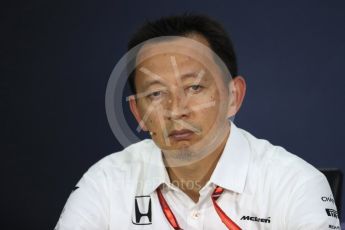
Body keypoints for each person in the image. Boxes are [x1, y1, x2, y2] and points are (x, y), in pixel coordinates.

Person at [55, 14, 340, 230]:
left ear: (233, 96)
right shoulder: (105, 182)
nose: (176, 110)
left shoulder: (296, 185)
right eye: (156, 93)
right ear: (138, 113)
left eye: (194, 88)